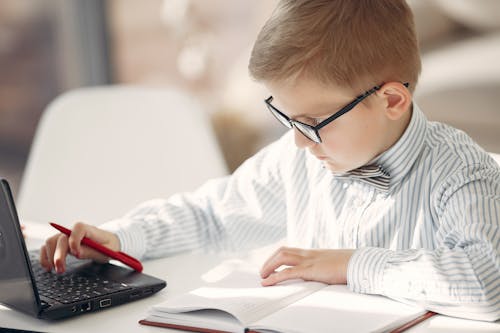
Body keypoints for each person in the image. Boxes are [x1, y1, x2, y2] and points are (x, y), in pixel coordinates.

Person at [40, 0, 500, 321]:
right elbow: (210, 214)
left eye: (314, 121)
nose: (299, 141)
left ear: (393, 100)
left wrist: (349, 264)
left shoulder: (461, 172)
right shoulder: (298, 160)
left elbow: (487, 282)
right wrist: (122, 235)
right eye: (286, 117)